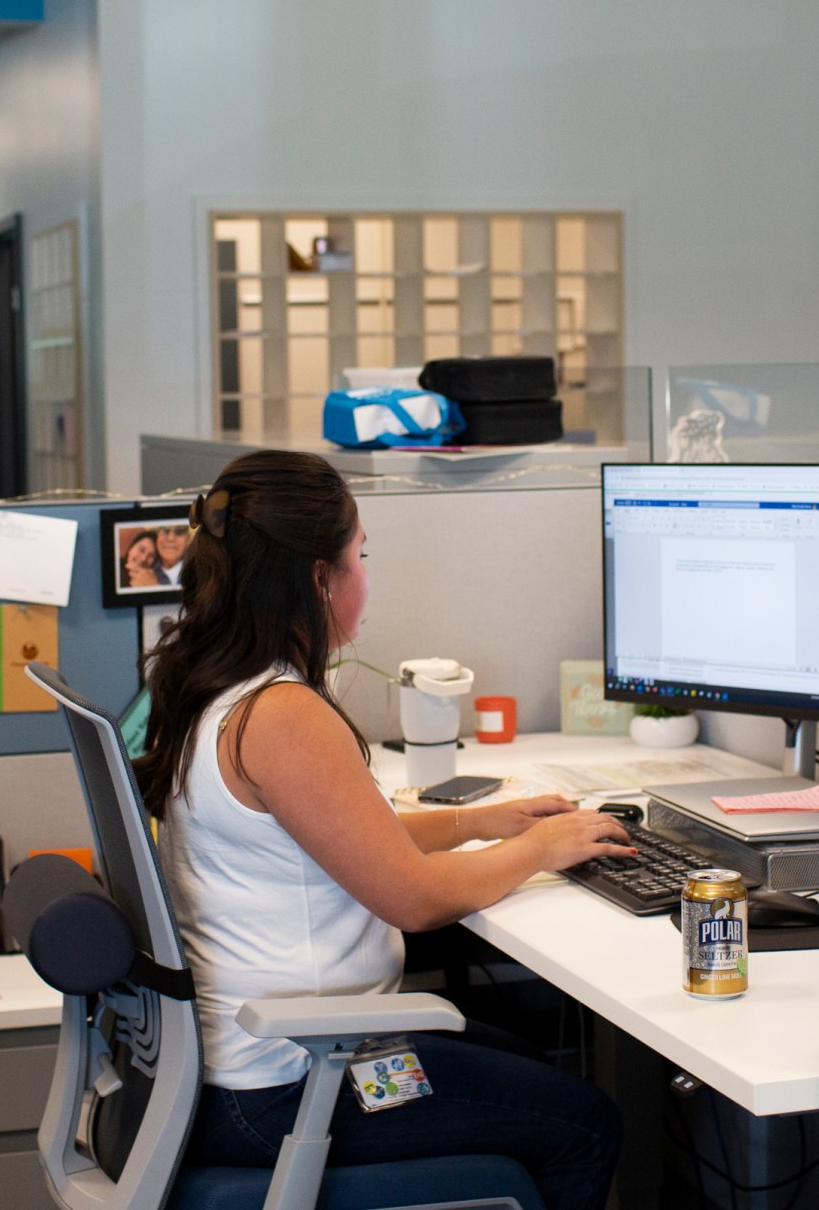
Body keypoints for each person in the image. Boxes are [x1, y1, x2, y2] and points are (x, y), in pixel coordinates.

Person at [138, 450, 630, 1210]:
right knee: (585, 1124)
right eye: (359, 555)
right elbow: (415, 899)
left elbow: (336, 834)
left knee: (528, 1065)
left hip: (254, 1066)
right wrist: (539, 847)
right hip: (294, 1086)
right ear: (317, 578)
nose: (366, 577)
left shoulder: (213, 686)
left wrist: (477, 821)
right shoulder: (283, 716)